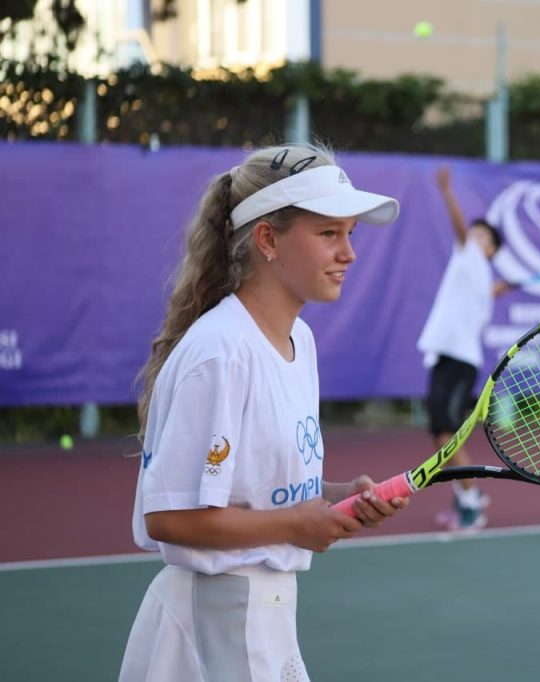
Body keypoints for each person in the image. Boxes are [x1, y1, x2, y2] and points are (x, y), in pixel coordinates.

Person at [119, 142, 410, 682]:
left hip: (265, 619)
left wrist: (334, 497)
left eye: (351, 233)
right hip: (216, 623)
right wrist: (297, 523)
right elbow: (169, 517)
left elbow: (253, 489)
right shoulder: (220, 352)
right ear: (268, 240)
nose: (349, 253)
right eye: (329, 234)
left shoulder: (300, 340)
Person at [417, 166, 512, 532]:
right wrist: (498, 289)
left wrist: (447, 192)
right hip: (446, 356)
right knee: (439, 434)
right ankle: (465, 493)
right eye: (474, 231)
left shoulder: (471, 258)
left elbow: (460, 230)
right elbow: (485, 293)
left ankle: (472, 500)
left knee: (447, 434)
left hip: (460, 361)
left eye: (481, 234)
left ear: (489, 249)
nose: (473, 234)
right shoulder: (475, 273)